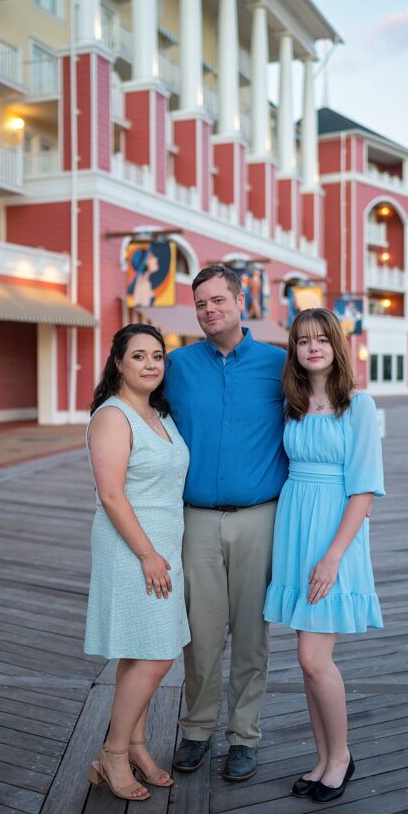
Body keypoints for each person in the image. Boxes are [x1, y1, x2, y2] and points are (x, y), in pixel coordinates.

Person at [165, 264, 287, 781]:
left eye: (218, 300)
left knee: (252, 635)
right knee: (201, 634)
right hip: (195, 521)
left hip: (260, 517)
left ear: (242, 300)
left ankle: (244, 736)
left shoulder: (279, 366)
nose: (209, 310)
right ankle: (196, 730)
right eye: (200, 304)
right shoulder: (175, 366)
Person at [263, 307, 384, 803]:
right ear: (294, 350)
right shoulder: (292, 404)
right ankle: (321, 757)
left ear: (337, 346)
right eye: (302, 340)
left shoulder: (357, 404)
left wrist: (333, 555)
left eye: (321, 339)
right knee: (306, 658)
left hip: (335, 532)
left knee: (314, 658)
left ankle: (342, 758)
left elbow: (364, 491)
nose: (312, 348)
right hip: (295, 528)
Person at [84, 324, 191, 801]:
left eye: (158, 356)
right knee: (157, 653)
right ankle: (111, 752)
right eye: (139, 356)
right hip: (134, 548)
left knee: (139, 649)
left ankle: (137, 746)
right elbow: (110, 494)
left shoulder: (160, 414)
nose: (151, 364)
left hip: (163, 545)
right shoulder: (113, 416)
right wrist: (148, 554)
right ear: (118, 363)